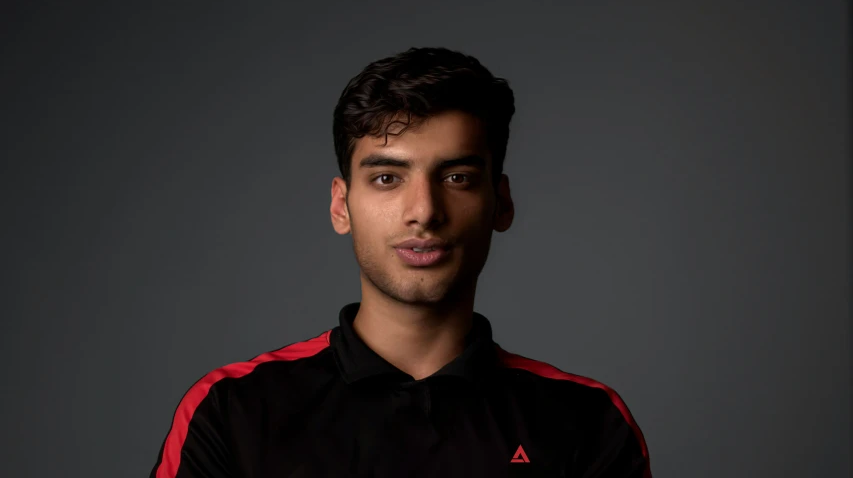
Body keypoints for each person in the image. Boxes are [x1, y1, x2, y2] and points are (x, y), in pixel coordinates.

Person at [149, 46, 652, 478]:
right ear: (341, 205)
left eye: (456, 177)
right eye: (388, 178)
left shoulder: (586, 421)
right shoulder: (232, 411)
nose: (424, 212)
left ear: (500, 203)